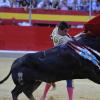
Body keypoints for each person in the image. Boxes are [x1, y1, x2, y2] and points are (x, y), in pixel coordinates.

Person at [40, 21, 74, 100]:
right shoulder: (65, 39)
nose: (67, 32)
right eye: (65, 31)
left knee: (50, 78)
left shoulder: (55, 30)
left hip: (55, 59)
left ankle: (44, 96)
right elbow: (72, 43)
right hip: (65, 60)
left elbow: (51, 36)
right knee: (69, 80)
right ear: (61, 30)